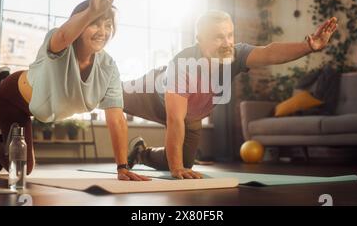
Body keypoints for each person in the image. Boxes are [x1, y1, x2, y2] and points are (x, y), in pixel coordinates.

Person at [123, 10, 338, 179]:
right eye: (218, 37)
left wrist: (308, 46)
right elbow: (174, 120)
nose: (227, 43)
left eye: (229, 35)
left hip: (191, 114)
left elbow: (269, 52)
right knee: (108, 94)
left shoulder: (235, 54)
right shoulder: (183, 65)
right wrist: (175, 168)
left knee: (186, 163)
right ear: (199, 39)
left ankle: (141, 154)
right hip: (150, 94)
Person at [0, 0, 150, 181]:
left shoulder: (109, 67)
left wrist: (122, 167)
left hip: (42, 108)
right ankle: (1, 144)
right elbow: (65, 34)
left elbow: (116, 117)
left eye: (108, 25)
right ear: (80, 24)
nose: (103, 31)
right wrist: (91, 11)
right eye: (94, 23)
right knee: (23, 169)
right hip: (13, 96)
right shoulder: (60, 43)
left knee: (25, 169)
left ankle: (6, 143)